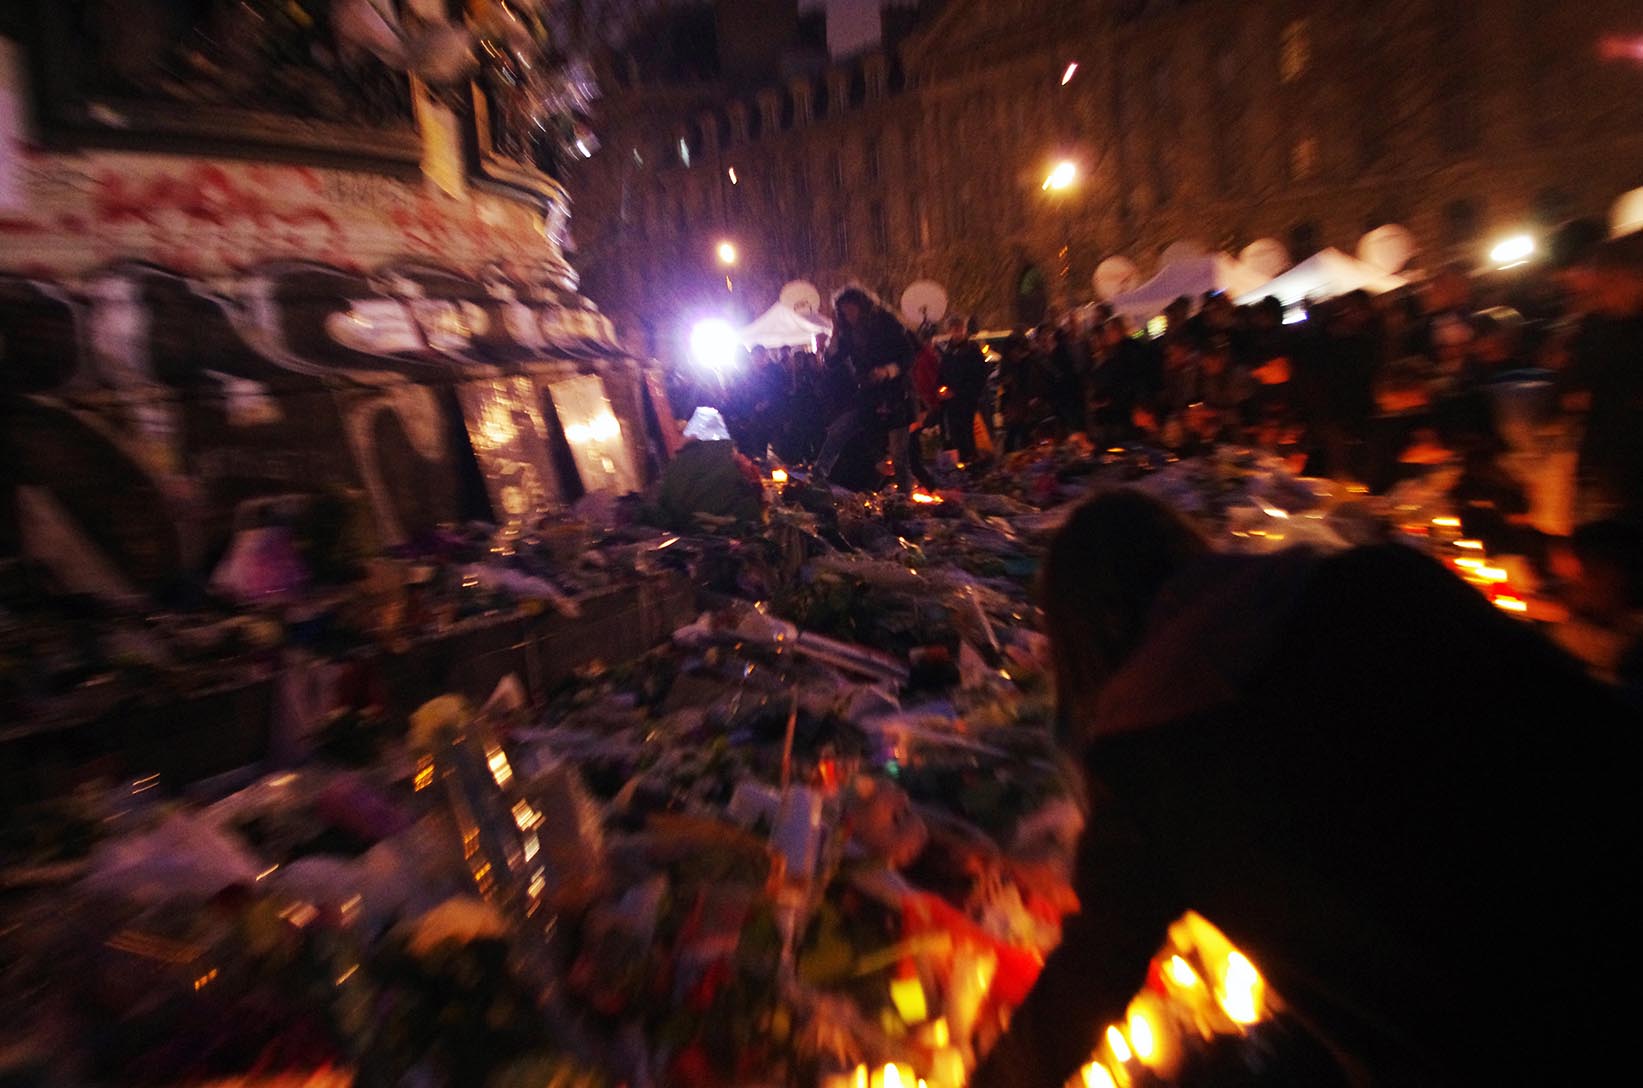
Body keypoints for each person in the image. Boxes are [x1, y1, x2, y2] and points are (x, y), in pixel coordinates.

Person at [970, 489, 1630, 1088]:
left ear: (1083, 635)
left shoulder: (1146, 760)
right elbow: (1574, 715)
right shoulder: (1374, 581)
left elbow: (1083, 986)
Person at [815, 287, 918, 491]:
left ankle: (905, 494)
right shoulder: (847, 332)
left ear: (862, 306)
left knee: (898, 453)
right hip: (868, 395)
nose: (849, 315)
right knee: (839, 430)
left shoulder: (886, 323)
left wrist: (888, 370)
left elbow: (907, 353)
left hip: (895, 394)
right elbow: (832, 361)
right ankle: (818, 476)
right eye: (843, 312)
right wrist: (834, 332)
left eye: (851, 309)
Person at [652, 407, 764, 530]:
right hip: (720, 529)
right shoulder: (727, 454)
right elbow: (749, 488)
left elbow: (664, 497)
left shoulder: (679, 459)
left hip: (679, 527)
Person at [938, 315, 988, 464]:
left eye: (959, 329)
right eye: (953, 329)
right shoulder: (948, 351)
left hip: (967, 399)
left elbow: (978, 375)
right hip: (952, 401)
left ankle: (971, 461)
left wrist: (961, 392)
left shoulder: (972, 350)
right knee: (955, 432)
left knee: (967, 432)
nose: (957, 332)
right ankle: (961, 462)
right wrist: (942, 389)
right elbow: (943, 373)